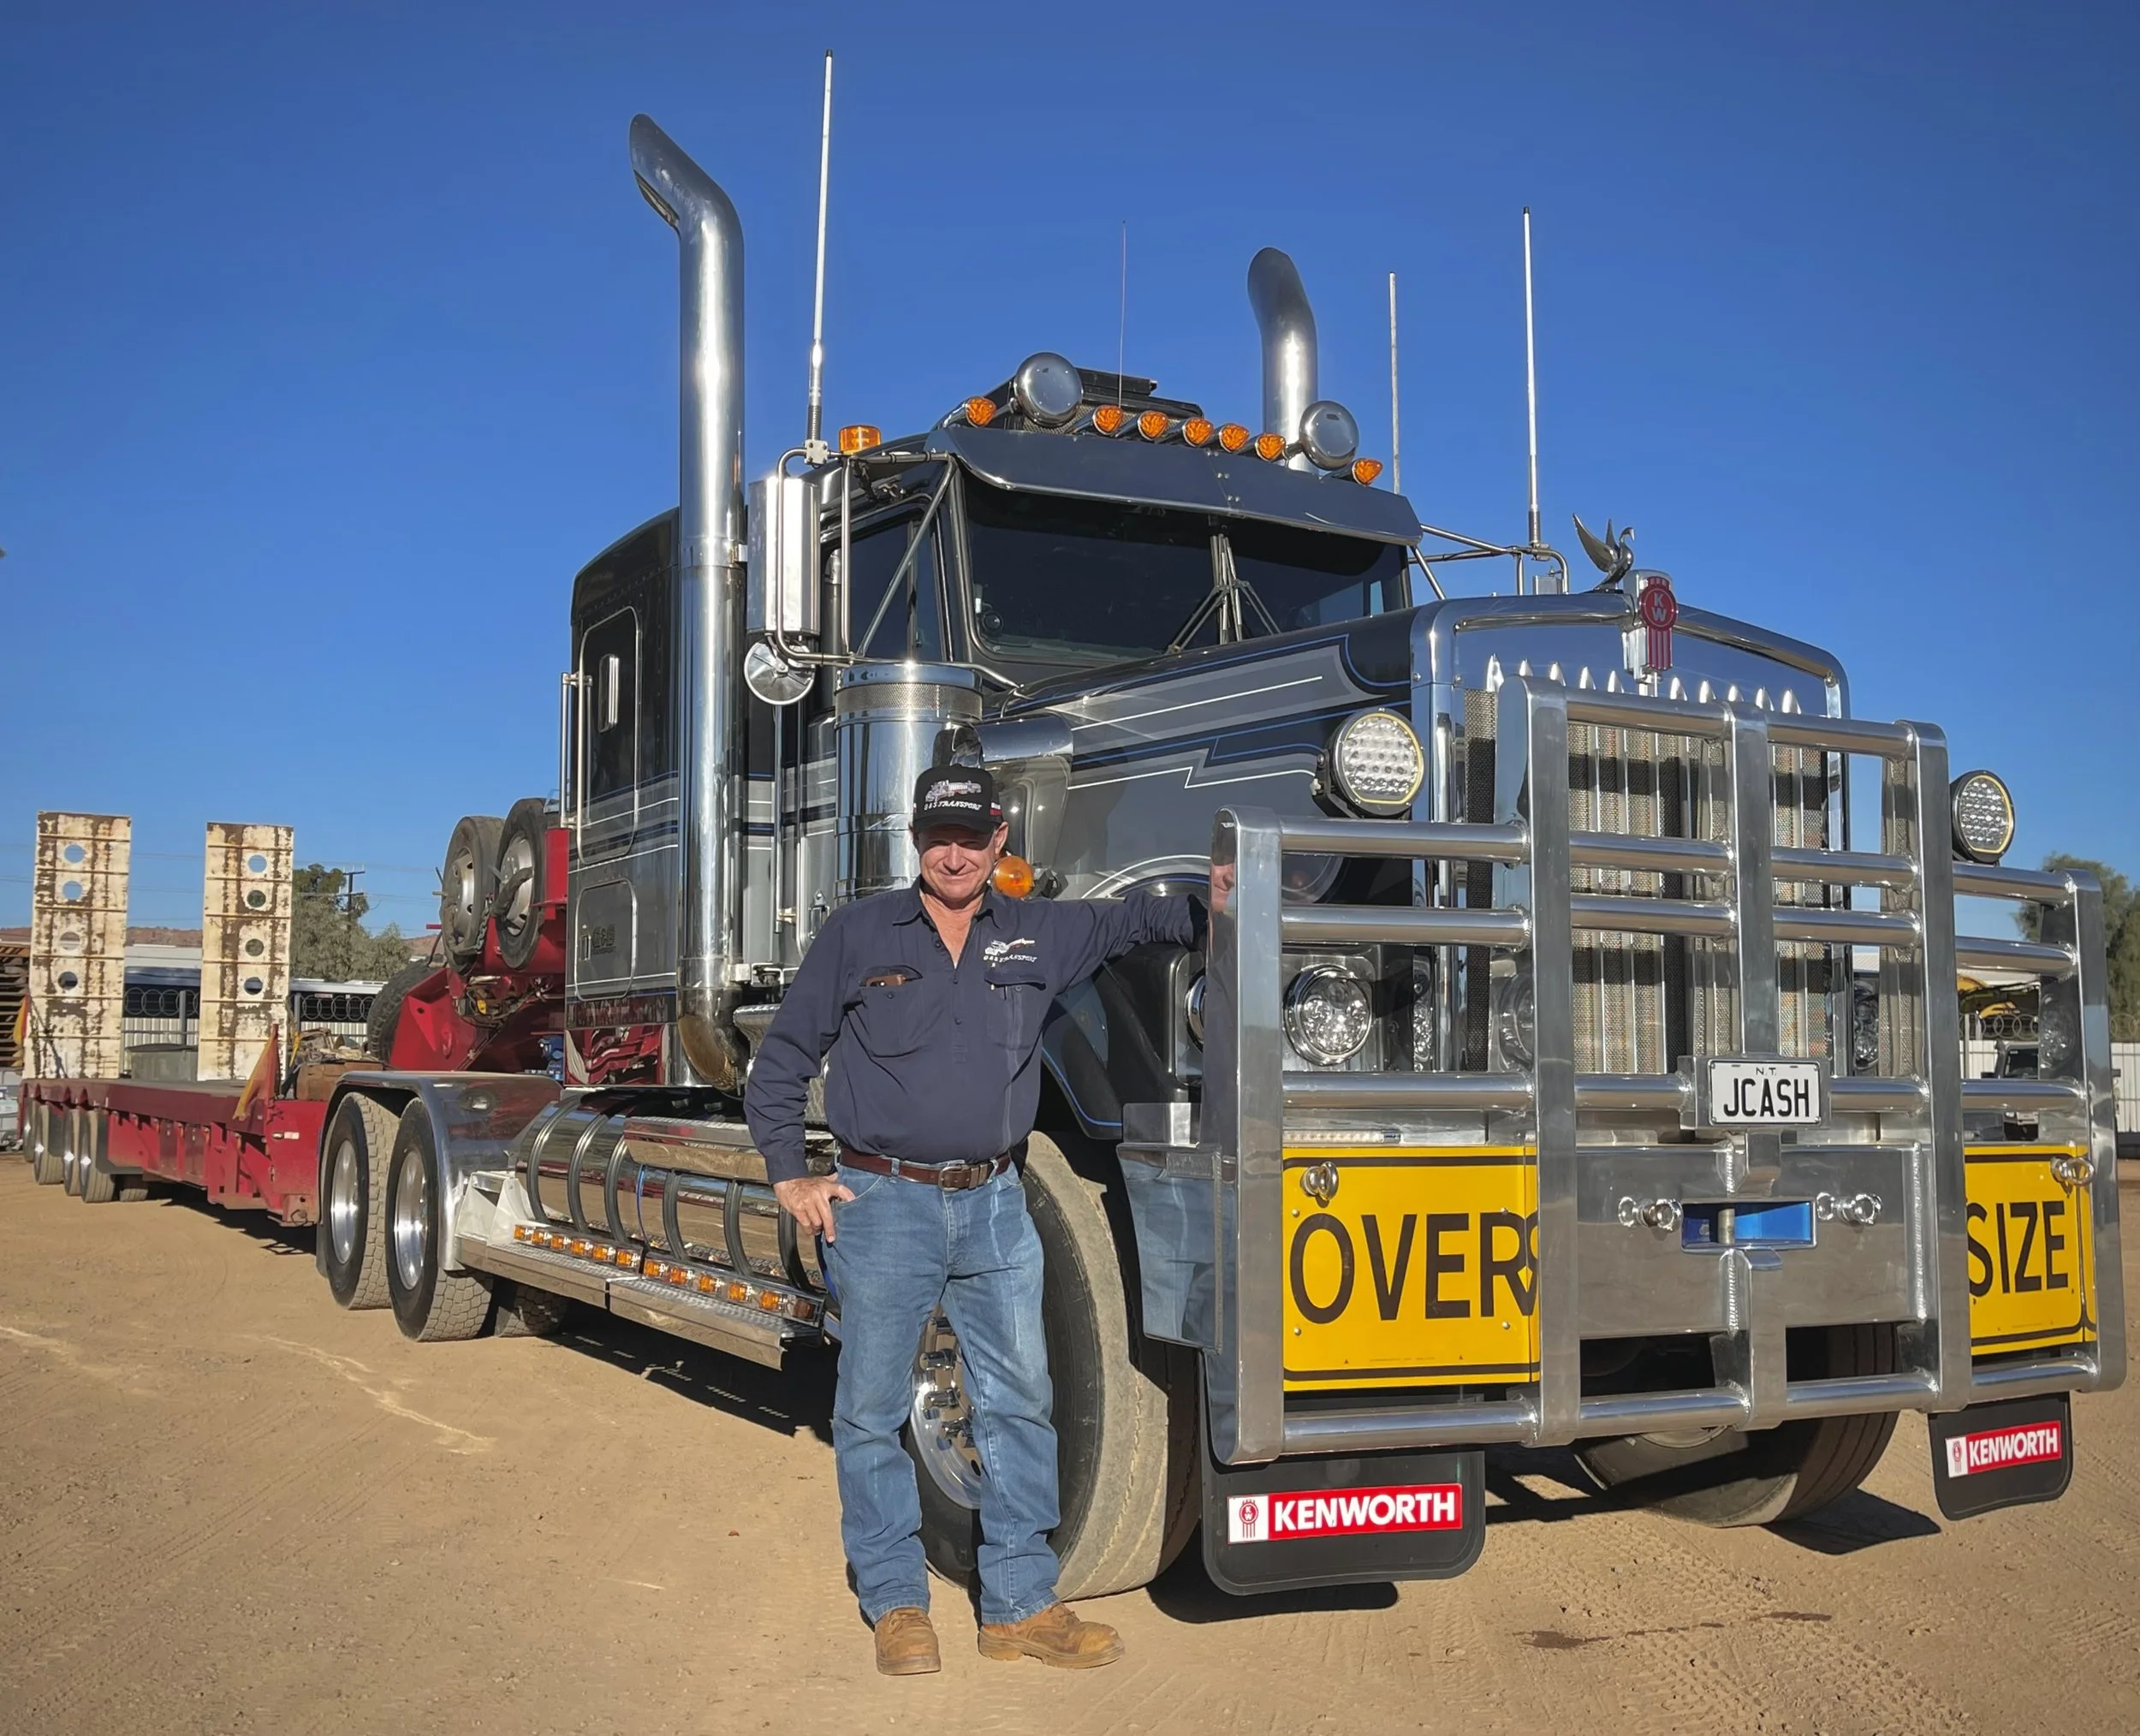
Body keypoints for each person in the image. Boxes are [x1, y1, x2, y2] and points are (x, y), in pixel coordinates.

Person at [745, 764, 1198, 1676]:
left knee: (1020, 1405)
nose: (953, 852)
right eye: (935, 835)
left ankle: (1021, 1602)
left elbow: (1137, 921)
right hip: (884, 1205)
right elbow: (785, 1058)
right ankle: (896, 1602)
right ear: (916, 840)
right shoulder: (860, 931)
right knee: (871, 1414)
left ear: (1000, 840)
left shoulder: (1038, 931)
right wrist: (792, 1176)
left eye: (970, 834)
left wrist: (1223, 898)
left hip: (996, 1204)